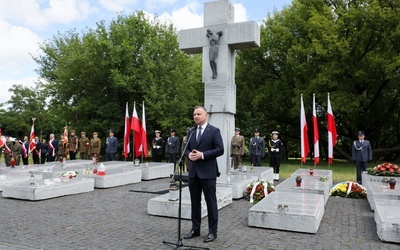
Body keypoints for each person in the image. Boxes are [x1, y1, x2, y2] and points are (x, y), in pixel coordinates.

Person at [183, 106, 224, 243]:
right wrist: (189, 155)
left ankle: (213, 232)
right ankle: (195, 229)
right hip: (193, 172)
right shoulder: (191, 131)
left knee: (210, 202)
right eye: (194, 114)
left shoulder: (214, 131)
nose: (196, 116)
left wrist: (202, 155)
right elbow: (187, 148)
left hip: (208, 173)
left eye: (199, 114)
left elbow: (220, 149)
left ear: (206, 115)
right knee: (195, 202)